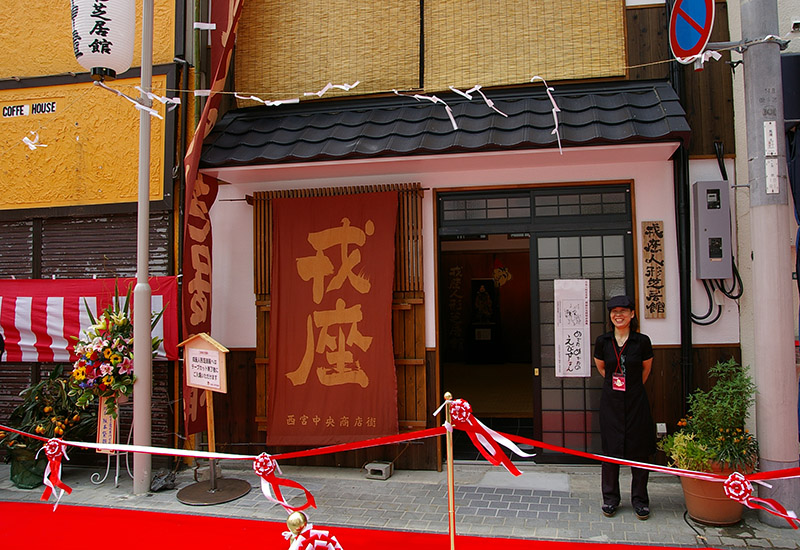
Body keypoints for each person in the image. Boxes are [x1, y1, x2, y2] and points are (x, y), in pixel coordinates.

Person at [593, 295, 655, 521]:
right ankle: (610, 499)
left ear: (632, 314)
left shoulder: (642, 341)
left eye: (623, 311)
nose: (618, 315)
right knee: (610, 451)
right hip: (611, 401)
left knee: (639, 450)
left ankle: (640, 500)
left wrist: (632, 387)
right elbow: (602, 368)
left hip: (636, 400)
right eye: (614, 312)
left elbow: (646, 370)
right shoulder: (603, 341)